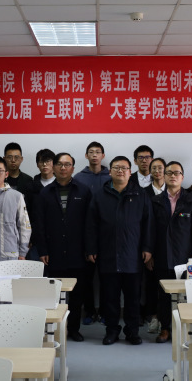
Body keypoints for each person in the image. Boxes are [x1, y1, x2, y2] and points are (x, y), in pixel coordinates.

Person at [86, 156, 152, 346]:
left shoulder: (140, 194)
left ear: (130, 172)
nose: (120, 171)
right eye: (116, 168)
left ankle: (132, 331)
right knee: (110, 297)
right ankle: (112, 331)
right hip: (107, 254)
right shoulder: (100, 195)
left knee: (133, 298)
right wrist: (91, 248)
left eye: (124, 168)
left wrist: (147, 248)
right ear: (110, 171)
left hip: (133, 255)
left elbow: (149, 224)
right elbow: (91, 225)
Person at [33, 153, 91, 342]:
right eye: (59, 164)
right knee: (55, 293)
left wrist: (90, 249)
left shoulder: (83, 191)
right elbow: (39, 224)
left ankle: (73, 329)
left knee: (77, 294)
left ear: (73, 168)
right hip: (54, 251)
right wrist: (43, 250)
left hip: (78, 252)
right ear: (54, 167)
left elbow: (90, 223)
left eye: (67, 164)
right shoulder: (45, 193)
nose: (63, 168)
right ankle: (56, 329)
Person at [151, 161, 192, 344]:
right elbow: (150, 229)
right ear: (164, 176)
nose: (173, 176)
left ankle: (185, 327)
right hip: (162, 254)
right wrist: (149, 253)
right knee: (163, 294)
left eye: (177, 173)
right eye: (169, 173)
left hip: (185, 255)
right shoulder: (156, 201)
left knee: (186, 293)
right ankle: (165, 328)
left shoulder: (191, 199)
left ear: (182, 177)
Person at [74, 141, 110, 324]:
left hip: (107, 234)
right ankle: (88, 311)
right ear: (86, 155)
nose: (94, 155)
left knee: (106, 277)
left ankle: (104, 312)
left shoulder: (110, 176)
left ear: (103, 156)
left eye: (98, 152)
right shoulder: (79, 178)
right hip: (85, 233)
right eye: (91, 152)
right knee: (86, 277)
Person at [142, 157, 165, 333]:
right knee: (150, 284)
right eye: (154, 168)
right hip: (150, 244)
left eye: (160, 168)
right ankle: (152, 317)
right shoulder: (143, 193)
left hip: (168, 245)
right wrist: (148, 250)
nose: (157, 171)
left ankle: (165, 319)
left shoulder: (174, 192)